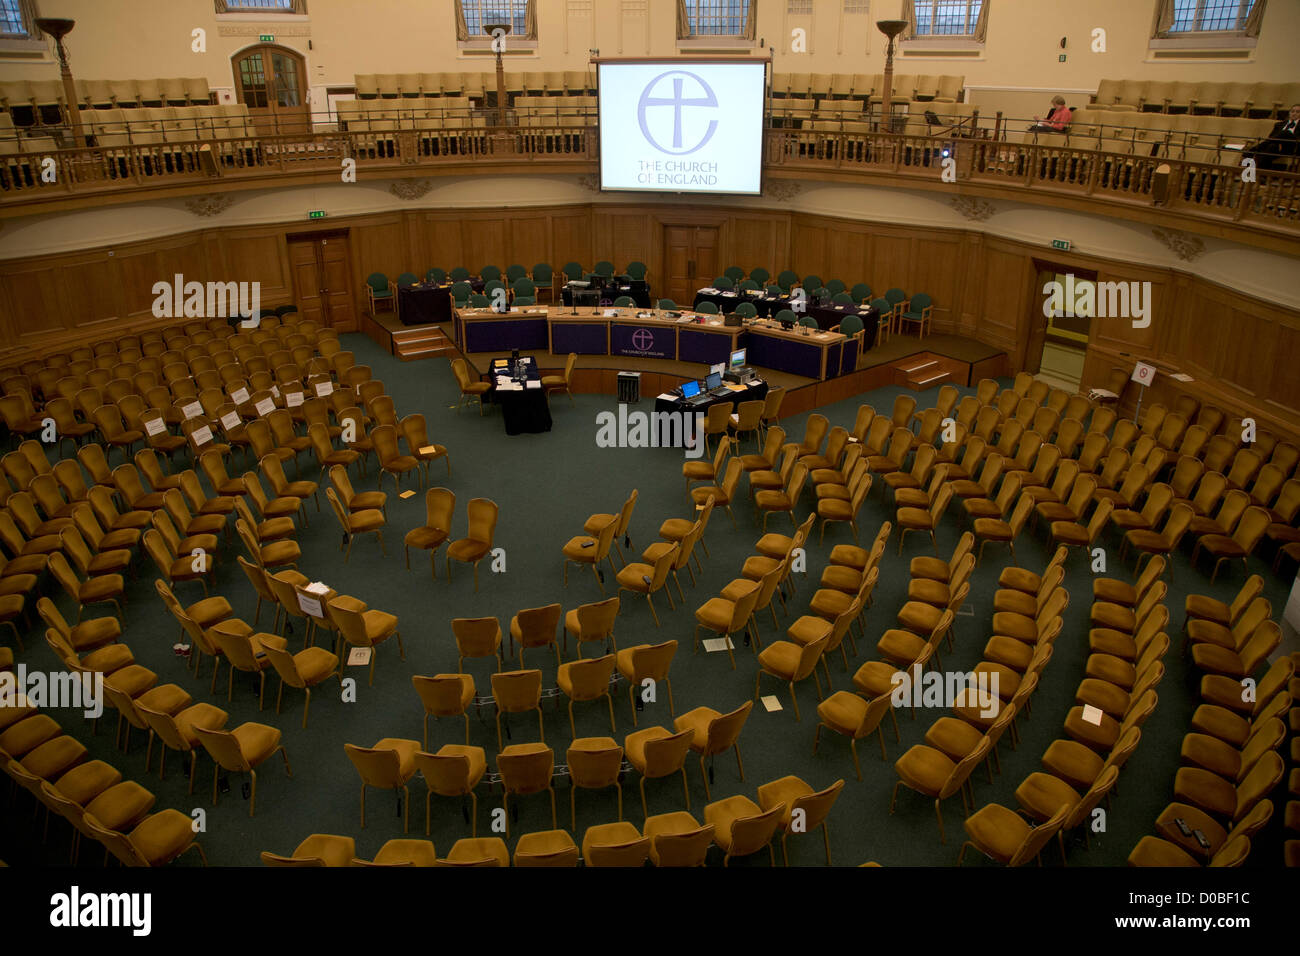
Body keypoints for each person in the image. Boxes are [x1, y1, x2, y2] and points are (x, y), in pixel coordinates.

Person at [1245, 103, 1300, 171]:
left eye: (1297, 112)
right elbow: (1271, 138)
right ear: (1289, 113)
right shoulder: (1279, 124)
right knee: (1271, 147)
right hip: (1277, 147)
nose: (1294, 113)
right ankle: (1261, 173)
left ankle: (1254, 149)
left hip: (1292, 147)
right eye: (1292, 111)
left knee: (1286, 132)